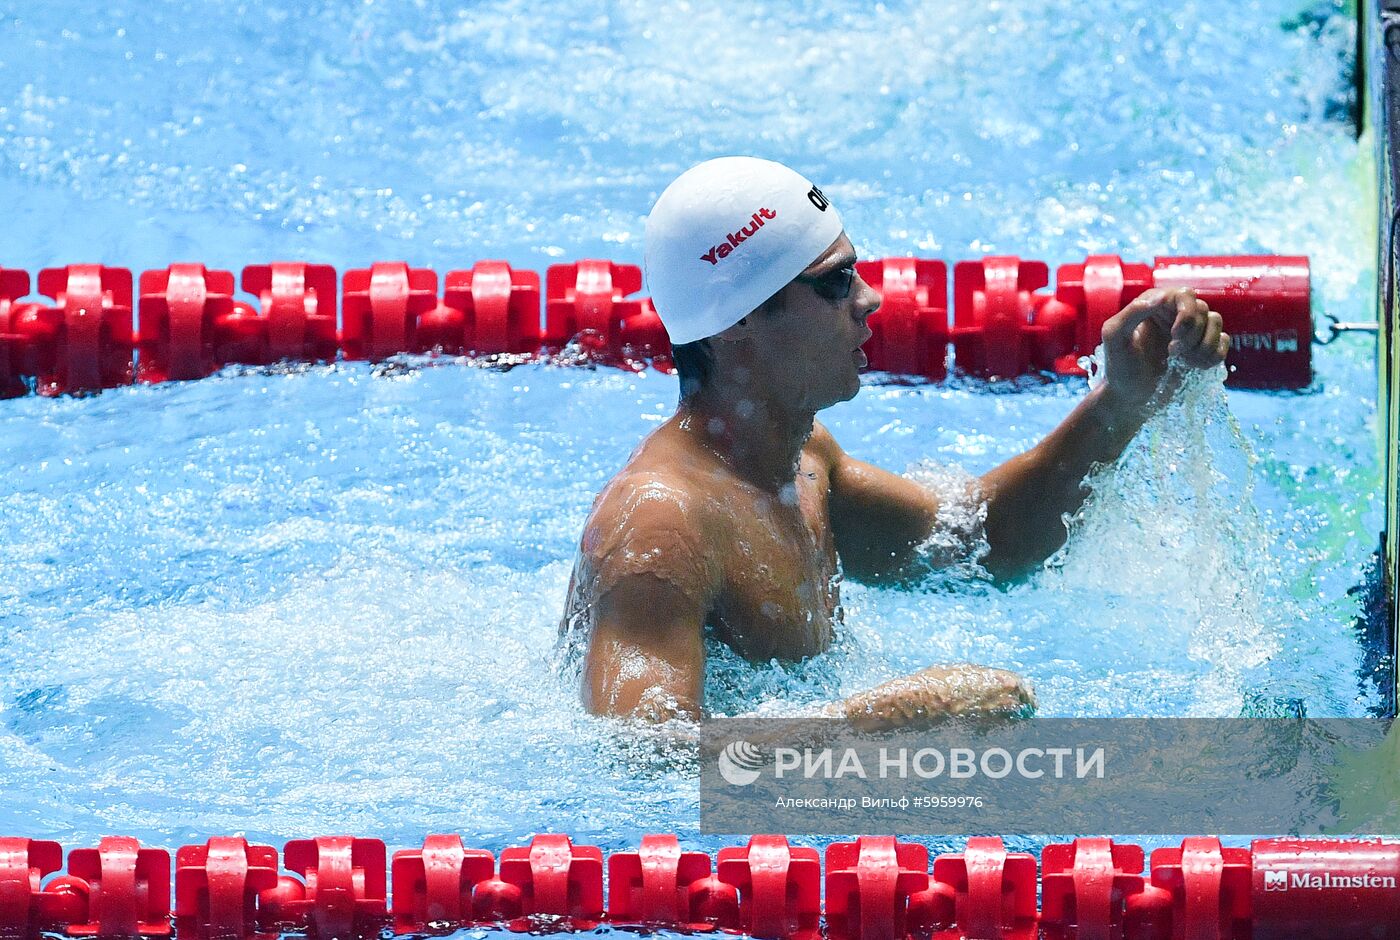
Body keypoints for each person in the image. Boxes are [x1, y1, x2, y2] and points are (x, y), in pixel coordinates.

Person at [558, 157, 1229, 729]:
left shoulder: (804, 458)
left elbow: (977, 543)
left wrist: (1117, 406)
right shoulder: (659, 526)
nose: (871, 299)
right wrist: (878, 722)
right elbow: (642, 758)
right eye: (835, 282)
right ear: (737, 321)